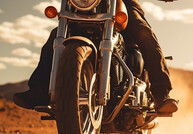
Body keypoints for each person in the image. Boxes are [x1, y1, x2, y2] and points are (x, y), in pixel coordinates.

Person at [13, 0, 178, 114]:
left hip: (122, 3)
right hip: (85, 4)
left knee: (142, 32)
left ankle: (161, 94)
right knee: (57, 36)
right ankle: (39, 90)